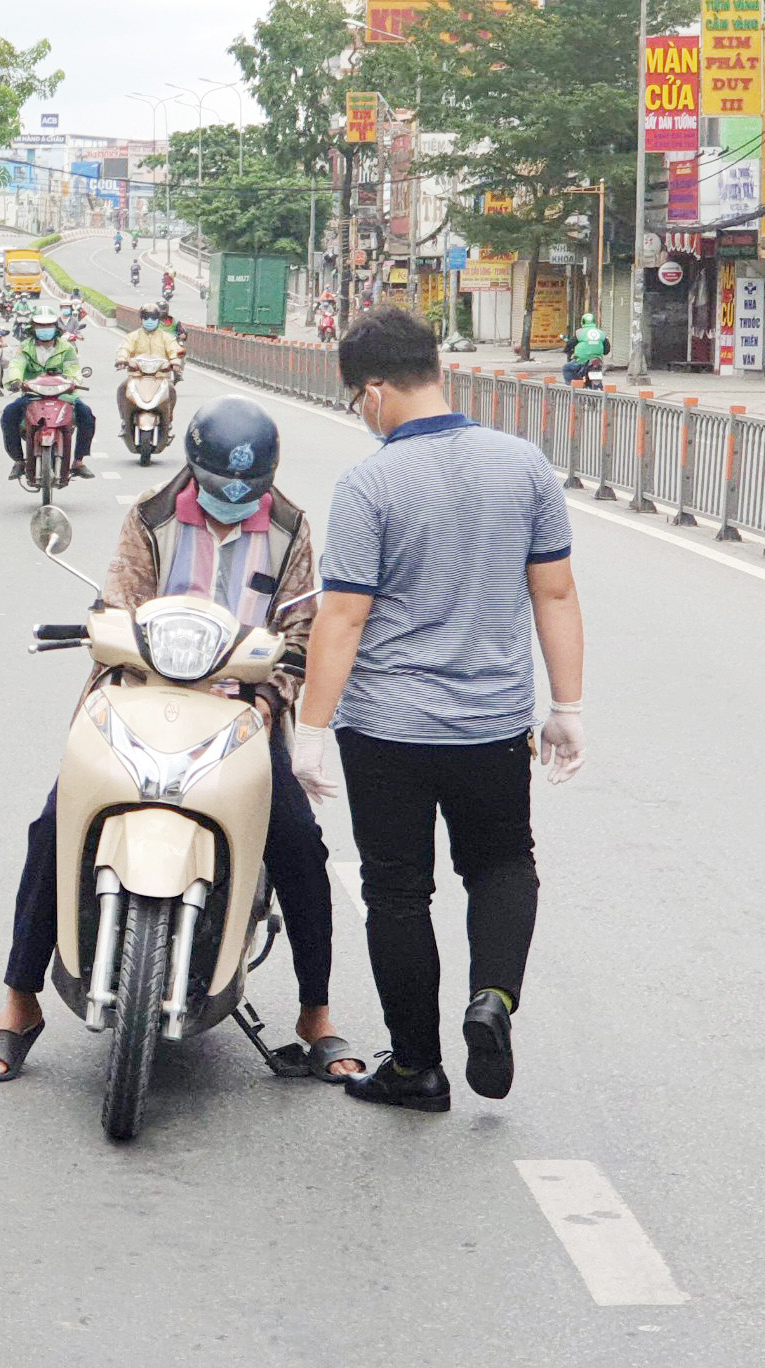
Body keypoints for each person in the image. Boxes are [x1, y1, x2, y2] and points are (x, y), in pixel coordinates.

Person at [0, 397, 364, 1082]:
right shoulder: (149, 516)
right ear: (195, 472)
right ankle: (19, 1002)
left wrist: (273, 700)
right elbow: (117, 604)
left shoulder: (292, 529)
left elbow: (300, 631)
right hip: (139, 700)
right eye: (220, 491)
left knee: (301, 846)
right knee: (52, 829)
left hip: (243, 714)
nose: (234, 504)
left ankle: (316, 1015)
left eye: (250, 492)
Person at [293, 309, 585, 1113]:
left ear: (376, 391)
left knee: (396, 891)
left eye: (358, 398)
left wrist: (309, 733)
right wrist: (567, 707)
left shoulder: (368, 483)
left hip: (386, 727)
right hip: (491, 723)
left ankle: (416, 1067)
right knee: (501, 864)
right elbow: (554, 591)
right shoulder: (523, 465)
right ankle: (493, 997)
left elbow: (343, 617)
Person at [1, 307, 97, 481]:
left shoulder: (66, 347)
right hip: (32, 394)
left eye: (48, 325)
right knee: (9, 414)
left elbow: (73, 368)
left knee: (86, 415)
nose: (44, 329)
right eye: (40, 325)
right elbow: (16, 365)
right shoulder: (24, 347)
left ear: (56, 327)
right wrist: (15, 380)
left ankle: (78, 461)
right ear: (33, 327)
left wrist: (73, 381)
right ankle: (18, 461)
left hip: (63, 395)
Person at [112, 302, 185, 447]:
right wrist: (122, 360)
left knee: (172, 391)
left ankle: (168, 421)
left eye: (152, 317)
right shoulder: (133, 337)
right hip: (136, 377)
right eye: (146, 317)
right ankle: (124, 420)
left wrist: (175, 362)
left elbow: (174, 350)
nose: (149, 321)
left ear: (158, 319)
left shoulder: (166, 337)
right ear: (141, 319)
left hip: (161, 377)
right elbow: (124, 349)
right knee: (121, 389)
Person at [563, 312, 608, 383]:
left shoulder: (580, 332)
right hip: (597, 361)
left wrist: (566, 350)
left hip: (582, 361)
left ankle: (573, 389)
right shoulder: (601, 333)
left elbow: (569, 344)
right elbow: (607, 350)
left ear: (582, 322)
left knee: (567, 368)